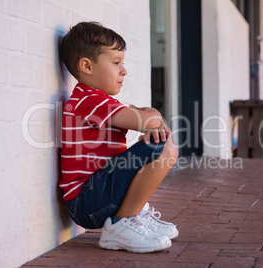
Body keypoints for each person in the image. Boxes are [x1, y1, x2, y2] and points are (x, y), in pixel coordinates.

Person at [59, 21, 179, 253]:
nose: (124, 70)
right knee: (162, 146)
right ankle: (120, 224)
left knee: (163, 145)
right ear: (87, 66)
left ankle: (134, 216)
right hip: (86, 201)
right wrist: (152, 115)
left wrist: (150, 119)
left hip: (95, 195)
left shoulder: (98, 100)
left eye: (122, 63)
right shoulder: (89, 101)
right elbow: (151, 122)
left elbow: (148, 121)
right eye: (116, 63)